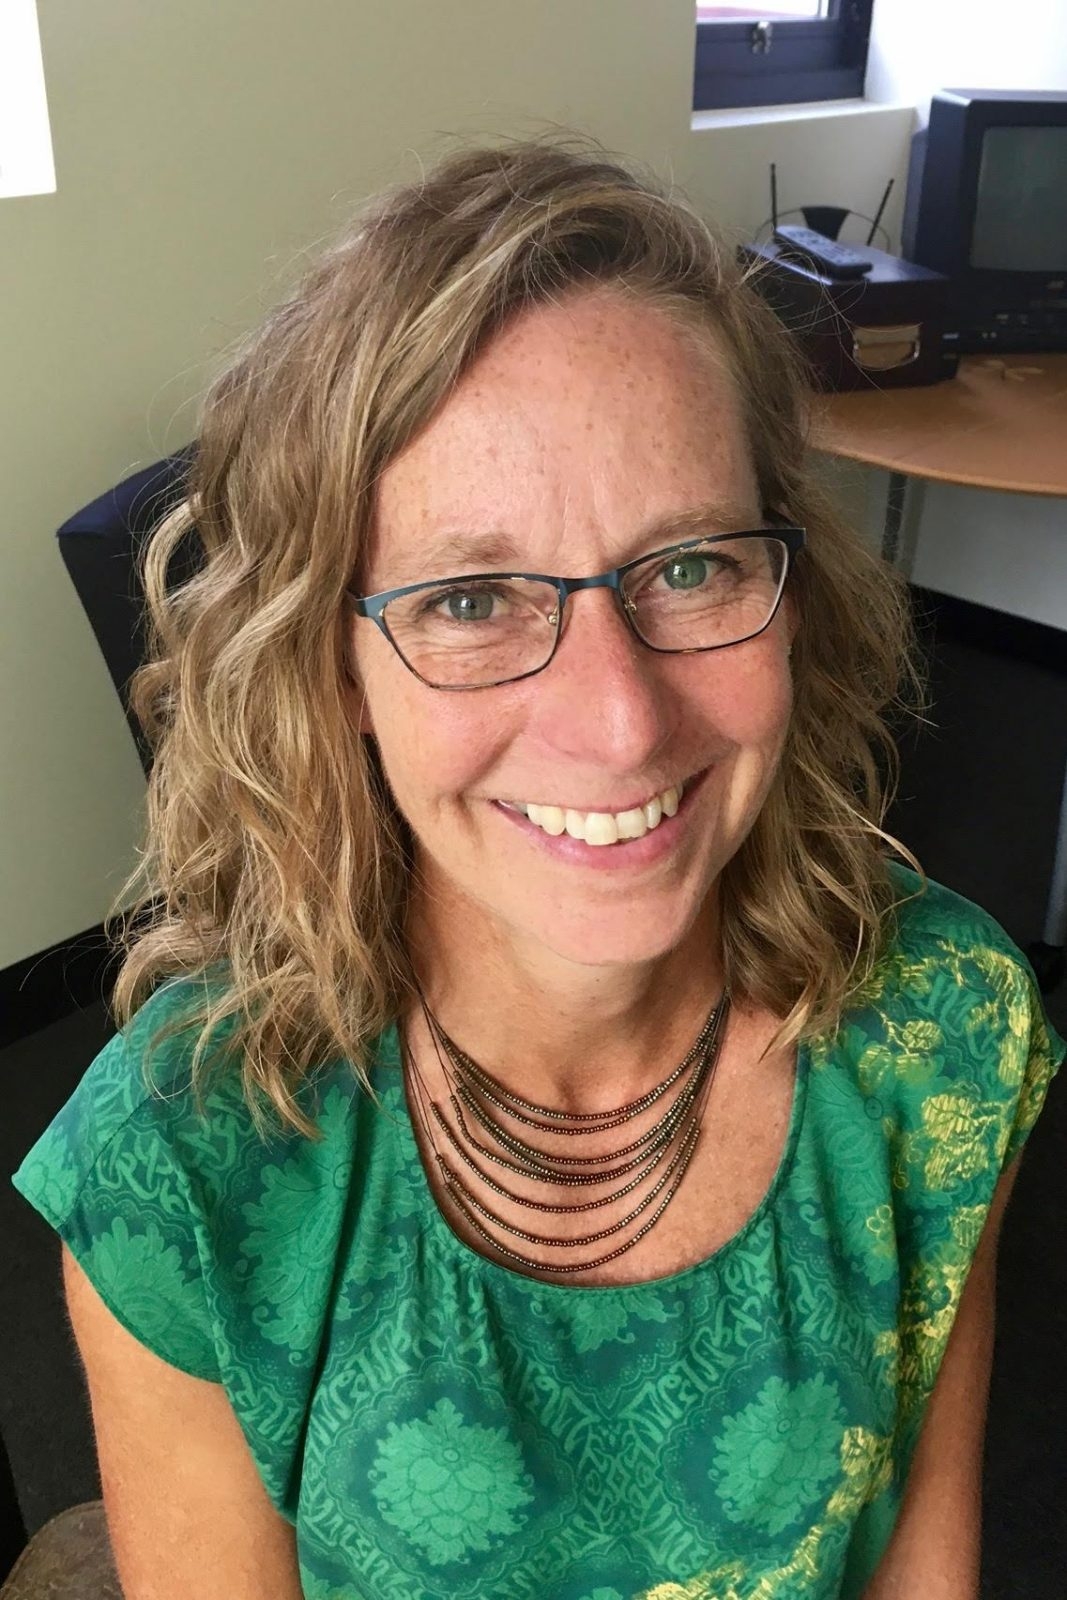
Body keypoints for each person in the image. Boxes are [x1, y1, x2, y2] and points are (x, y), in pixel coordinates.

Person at [11, 135, 1064, 1600]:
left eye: (691, 565)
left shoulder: (943, 1030)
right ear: (334, 667)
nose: (622, 722)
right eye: (472, 598)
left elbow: (922, 1572)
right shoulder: (186, 1169)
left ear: (792, 593)